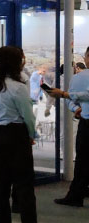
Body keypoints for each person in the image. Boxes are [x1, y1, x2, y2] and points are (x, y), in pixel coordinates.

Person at [0, 46, 52, 223]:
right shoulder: (18, 87)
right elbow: (27, 115)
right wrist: (32, 134)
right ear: (15, 62)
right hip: (16, 134)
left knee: (1, 182)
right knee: (24, 183)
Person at [49, 47, 89, 207]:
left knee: (82, 160)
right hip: (85, 120)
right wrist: (76, 107)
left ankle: (76, 195)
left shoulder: (79, 78)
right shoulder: (79, 77)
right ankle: (80, 191)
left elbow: (70, 98)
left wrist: (66, 96)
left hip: (87, 124)